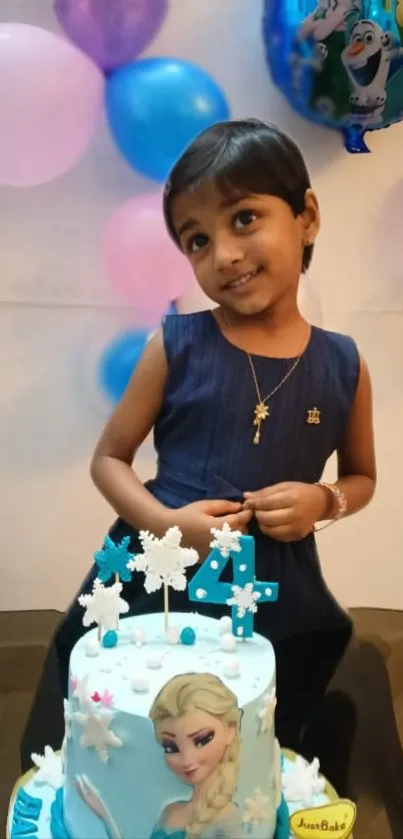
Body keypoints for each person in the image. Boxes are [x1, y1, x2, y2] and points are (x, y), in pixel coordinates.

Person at [21, 118, 376, 779]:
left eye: (244, 218)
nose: (223, 253)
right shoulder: (175, 344)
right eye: (196, 239)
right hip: (156, 570)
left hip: (273, 583)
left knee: (258, 721)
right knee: (117, 708)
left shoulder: (345, 365)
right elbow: (109, 458)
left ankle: (292, 759)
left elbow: (361, 478)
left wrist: (321, 500)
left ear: (305, 216)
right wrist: (167, 524)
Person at [148, 673, 243, 839]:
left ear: (230, 729)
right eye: (171, 748)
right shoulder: (169, 812)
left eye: (202, 740)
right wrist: (104, 816)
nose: (187, 760)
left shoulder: (228, 818)